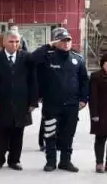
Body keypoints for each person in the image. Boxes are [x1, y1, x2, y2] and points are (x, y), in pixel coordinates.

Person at [32, 28, 88, 173]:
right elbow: (32, 59)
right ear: (55, 42)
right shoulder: (47, 57)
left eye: (68, 40)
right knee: (50, 134)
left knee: (68, 135)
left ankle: (65, 161)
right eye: (62, 40)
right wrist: (48, 45)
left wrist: (83, 99)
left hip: (71, 105)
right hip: (52, 104)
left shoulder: (78, 59)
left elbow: (84, 81)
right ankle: (51, 162)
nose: (66, 43)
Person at [0, 31, 37, 170]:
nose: (14, 44)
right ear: (3, 42)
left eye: (17, 42)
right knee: (0, 132)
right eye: (11, 41)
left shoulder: (27, 58)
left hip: (21, 102)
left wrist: (33, 102)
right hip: (1, 102)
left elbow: (33, 81)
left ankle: (14, 160)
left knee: (17, 132)